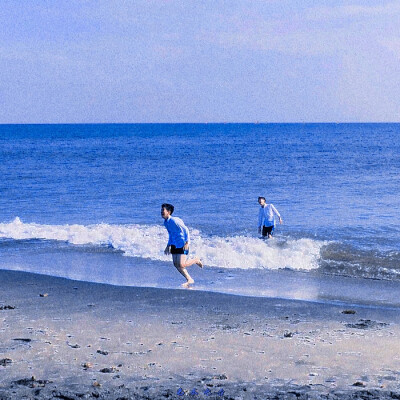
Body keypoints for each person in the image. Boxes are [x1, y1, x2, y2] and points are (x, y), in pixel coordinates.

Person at [161, 203, 203, 287]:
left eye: (163, 210)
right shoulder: (165, 222)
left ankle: (196, 260)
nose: (161, 212)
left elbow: (186, 230)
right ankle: (189, 279)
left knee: (181, 264)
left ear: (168, 212)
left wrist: (187, 242)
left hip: (182, 243)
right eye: (161, 210)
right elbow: (171, 234)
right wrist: (168, 245)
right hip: (174, 244)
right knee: (176, 264)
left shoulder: (174, 221)